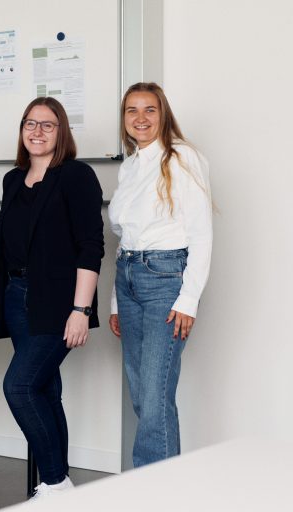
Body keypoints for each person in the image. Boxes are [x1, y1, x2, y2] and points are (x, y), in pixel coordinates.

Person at [0, 97, 104, 500]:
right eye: (30, 123)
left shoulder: (76, 176)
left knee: (19, 387)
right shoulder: (12, 179)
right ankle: (59, 487)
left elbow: (91, 246)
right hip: (16, 298)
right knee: (43, 391)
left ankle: (56, 484)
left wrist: (80, 309)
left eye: (48, 125)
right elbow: (5, 249)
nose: (37, 131)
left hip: (58, 302)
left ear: (62, 133)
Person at [108, 82, 212, 467]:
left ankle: (156, 496)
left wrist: (189, 299)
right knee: (141, 393)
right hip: (129, 277)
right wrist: (116, 299)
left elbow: (202, 233)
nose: (140, 118)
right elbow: (124, 238)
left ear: (163, 114)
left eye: (149, 109)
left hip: (166, 279)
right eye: (132, 110)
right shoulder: (130, 165)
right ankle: (159, 486)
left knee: (155, 396)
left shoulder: (182, 157)